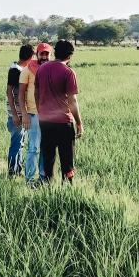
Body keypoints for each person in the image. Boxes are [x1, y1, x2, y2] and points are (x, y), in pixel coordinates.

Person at [34, 39, 83, 183]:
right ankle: (67, 187)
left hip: (45, 121)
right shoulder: (68, 72)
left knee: (48, 156)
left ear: (55, 53)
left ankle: (47, 185)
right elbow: (72, 101)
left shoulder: (41, 69)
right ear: (70, 56)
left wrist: (40, 111)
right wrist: (79, 123)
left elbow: (36, 94)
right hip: (63, 122)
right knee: (67, 158)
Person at [19, 42, 51, 187]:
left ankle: (43, 178)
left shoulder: (52, 70)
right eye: (41, 54)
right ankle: (30, 179)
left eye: (47, 54)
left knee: (46, 148)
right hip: (34, 115)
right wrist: (24, 114)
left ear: (51, 55)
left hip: (49, 116)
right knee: (34, 148)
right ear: (37, 55)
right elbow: (20, 94)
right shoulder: (28, 69)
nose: (44, 56)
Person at [6, 44, 34, 176]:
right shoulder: (16, 70)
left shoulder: (20, 69)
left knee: (20, 144)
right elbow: (9, 92)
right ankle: (12, 173)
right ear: (31, 57)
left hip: (21, 113)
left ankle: (18, 170)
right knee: (16, 144)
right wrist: (16, 115)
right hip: (16, 114)